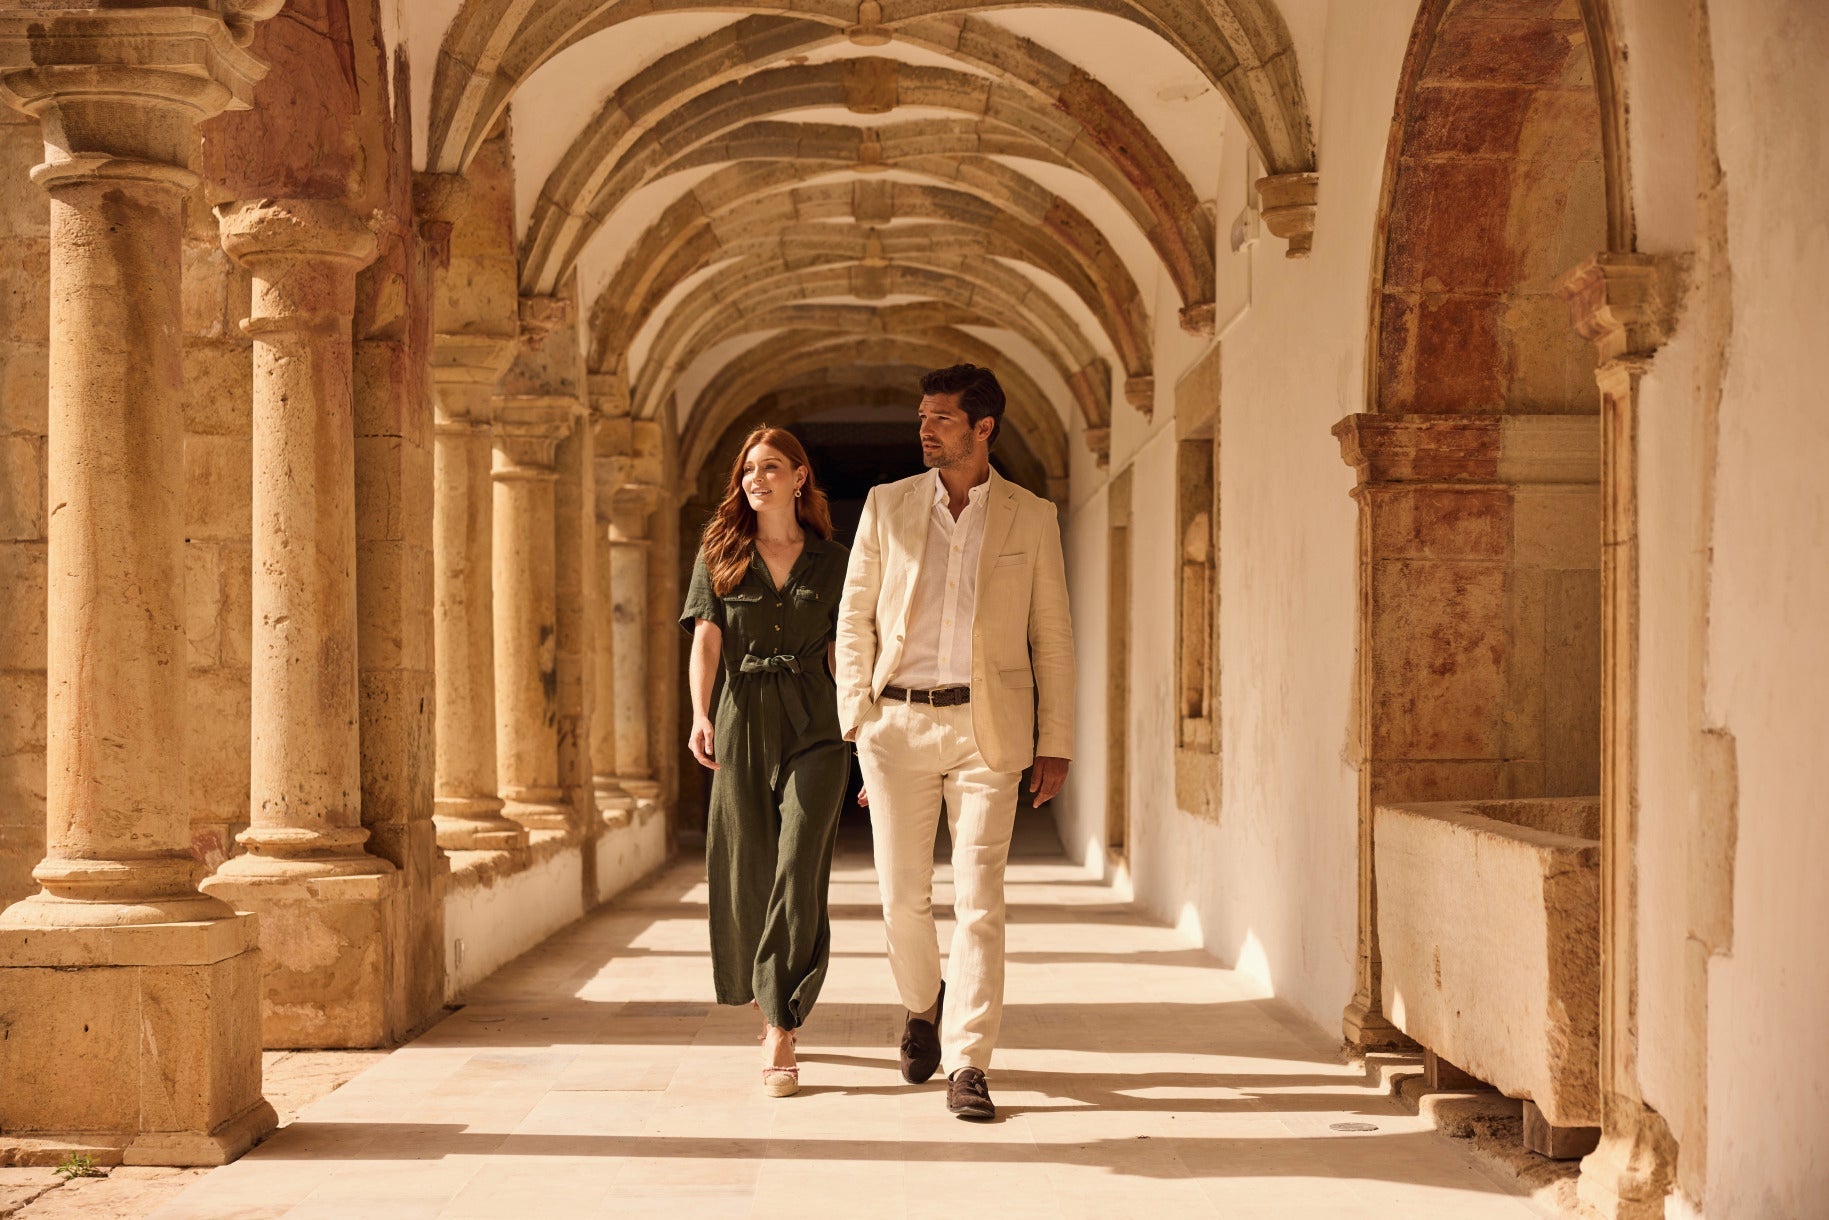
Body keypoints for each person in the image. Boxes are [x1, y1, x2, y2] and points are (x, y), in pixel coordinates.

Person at [835, 363, 1075, 1121]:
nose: (925, 429)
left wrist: (1056, 739)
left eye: (941, 418)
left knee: (980, 904)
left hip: (988, 730)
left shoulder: (1031, 517)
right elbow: (854, 619)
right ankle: (919, 1006)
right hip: (895, 724)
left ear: (983, 429)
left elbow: (1053, 636)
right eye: (921, 418)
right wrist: (857, 717)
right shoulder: (886, 505)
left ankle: (968, 1062)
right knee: (902, 896)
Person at [680, 426, 851, 1098]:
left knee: (799, 863)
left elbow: (847, 650)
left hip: (818, 720)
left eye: (771, 467)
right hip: (742, 716)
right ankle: (764, 986)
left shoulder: (834, 562)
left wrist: (862, 721)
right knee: (747, 863)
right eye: (748, 469)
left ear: (799, 478)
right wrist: (700, 713)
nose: (757, 479)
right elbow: (706, 642)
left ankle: (781, 1020)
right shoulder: (720, 553)